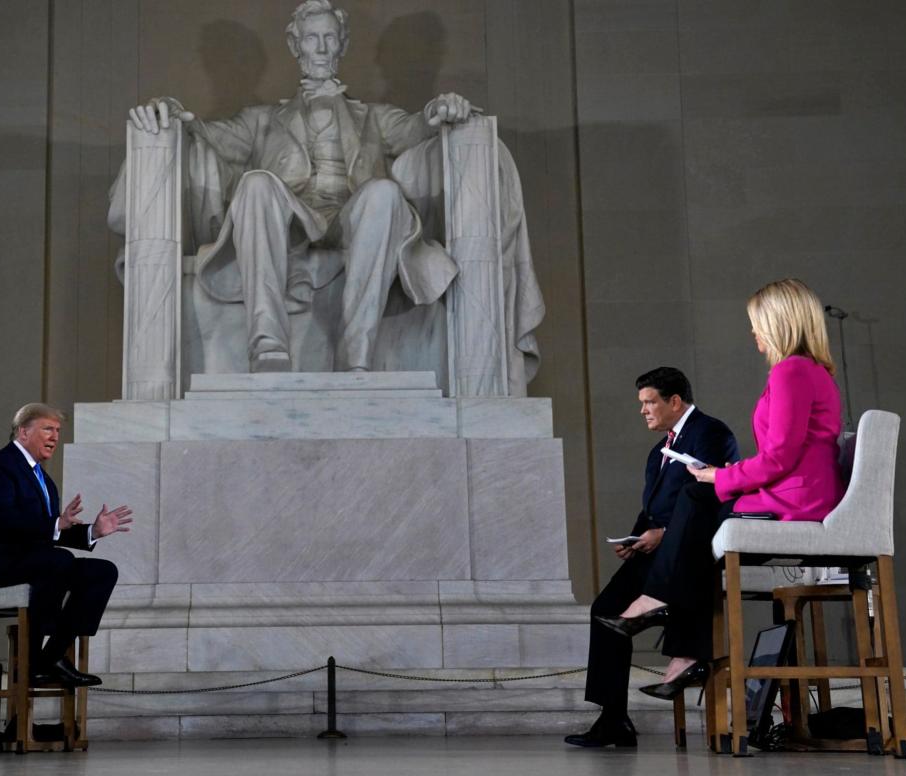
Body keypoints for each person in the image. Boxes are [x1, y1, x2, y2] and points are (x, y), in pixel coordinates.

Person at [124, 0, 542, 379]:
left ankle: (356, 348)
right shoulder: (262, 120)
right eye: (311, 38)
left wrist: (441, 109)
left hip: (353, 219)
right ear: (296, 46)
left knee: (383, 193)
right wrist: (170, 109)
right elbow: (204, 132)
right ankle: (267, 341)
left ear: (341, 46)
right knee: (255, 184)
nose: (321, 48)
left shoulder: (373, 117)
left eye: (329, 38)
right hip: (289, 223)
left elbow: (418, 127)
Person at [601, 278, 844, 701]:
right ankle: (681, 651)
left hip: (796, 499)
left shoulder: (792, 371)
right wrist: (727, 476)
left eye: (757, 324)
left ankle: (659, 608)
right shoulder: (810, 371)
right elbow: (784, 454)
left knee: (696, 499)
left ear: (779, 322)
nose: (754, 334)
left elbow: (781, 458)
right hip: (796, 490)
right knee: (696, 531)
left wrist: (721, 477)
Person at [565, 367, 738, 748]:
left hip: (691, 550)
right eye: (641, 404)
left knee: (632, 605)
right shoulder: (656, 449)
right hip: (654, 549)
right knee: (605, 611)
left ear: (674, 401)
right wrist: (636, 536)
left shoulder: (711, 432)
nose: (643, 410)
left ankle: (683, 657)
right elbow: (654, 509)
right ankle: (613, 719)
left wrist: (665, 534)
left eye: (649, 402)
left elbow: (710, 496)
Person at [0, 404, 134, 687]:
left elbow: (52, 530)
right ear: (23, 432)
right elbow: (2, 519)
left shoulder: (43, 480)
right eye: (48, 429)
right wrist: (55, 525)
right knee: (56, 561)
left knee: (101, 571)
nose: (55, 437)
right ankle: (30, 660)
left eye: (58, 431)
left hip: (29, 562)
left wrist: (92, 531)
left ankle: (51, 656)